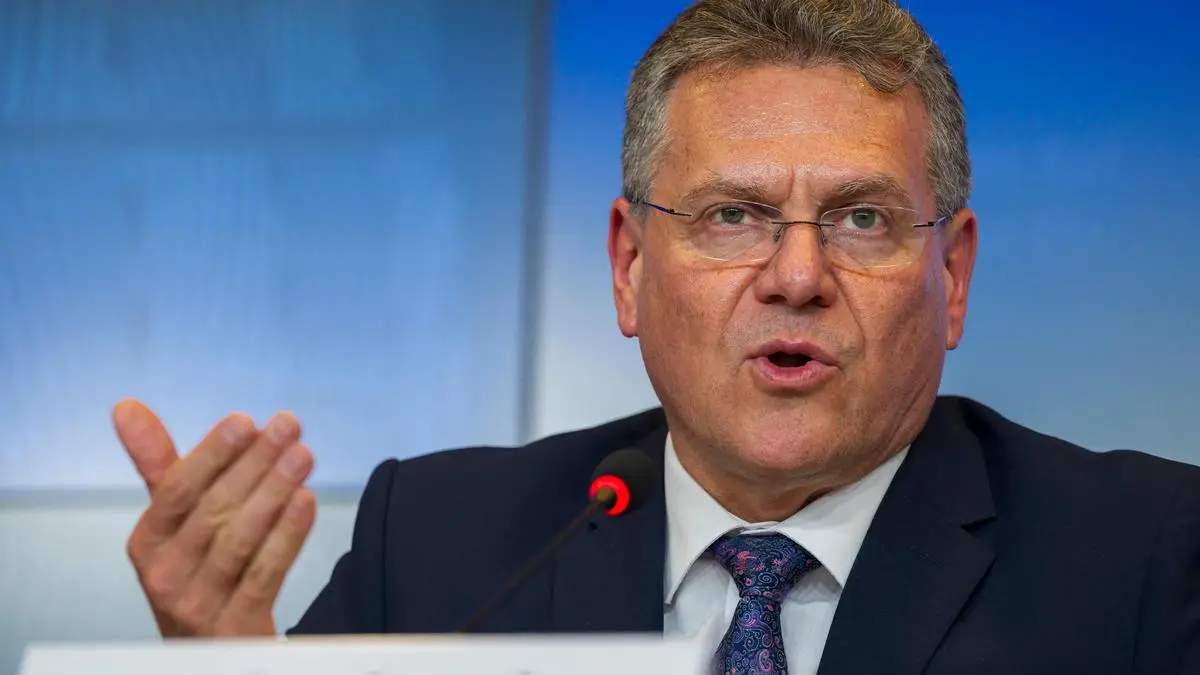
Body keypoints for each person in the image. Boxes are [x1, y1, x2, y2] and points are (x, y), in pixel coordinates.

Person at [114, 0, 1200, 673]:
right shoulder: (440, 547)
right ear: (629, 265)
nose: (798, 276)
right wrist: (219, 666)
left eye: (863, 219)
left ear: (950, 276)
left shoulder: (1149, 555)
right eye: (733, 216)